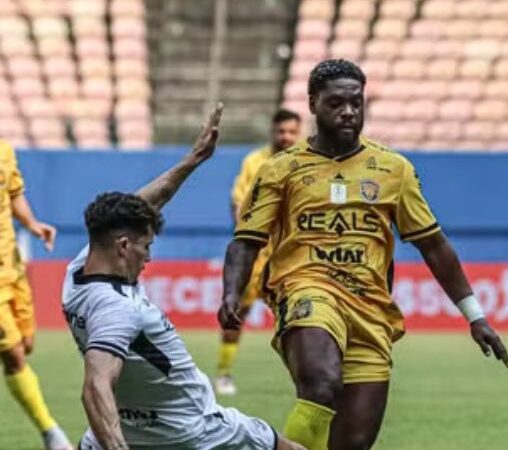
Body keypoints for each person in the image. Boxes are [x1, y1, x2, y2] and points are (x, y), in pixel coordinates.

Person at [218, 59, 508, 450]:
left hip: (371, 308)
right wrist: (231, 292)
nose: (349, 111)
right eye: (336, 103)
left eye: (356, 103)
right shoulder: (280, 169)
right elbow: (246, 240)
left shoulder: (394, 170)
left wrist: (475, 316)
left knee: (351, 443)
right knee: (320, 385)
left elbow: (434, 245)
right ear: (312, 104)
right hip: (306, 289)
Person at [61, 104, 304, 450]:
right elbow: (95, 387)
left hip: (129, 425)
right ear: (124, 246)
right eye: (146, 246)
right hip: (190, 426)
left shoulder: (79, 269)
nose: (149, 256)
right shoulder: (116, 310)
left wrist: (194, 159)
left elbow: (141, 206)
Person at [215, 108, 302, 395]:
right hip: (256, 253)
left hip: (290, 255)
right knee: (237, 311)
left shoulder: (307, 162)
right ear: (272, 132)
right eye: (281, 131)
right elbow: (238, 204)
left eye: (291, 132)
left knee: (299, 317)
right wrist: (250, 238)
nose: (286, 137)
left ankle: (303, 375)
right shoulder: (254, 162)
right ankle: (224, 373)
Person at [0, 139, 73, 450]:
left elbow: (14, 194)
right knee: (14, 353)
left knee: (26, 345)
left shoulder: (4, 150)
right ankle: (51, 433)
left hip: (11, 268)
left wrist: (31, 224)